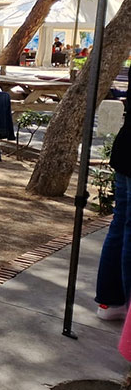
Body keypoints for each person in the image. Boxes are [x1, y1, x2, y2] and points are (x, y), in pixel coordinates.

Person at [96, 98, 131, 320]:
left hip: (126, 148)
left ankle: (111, 301)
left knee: (121, 225)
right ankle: (124, 306)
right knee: (125, 227)